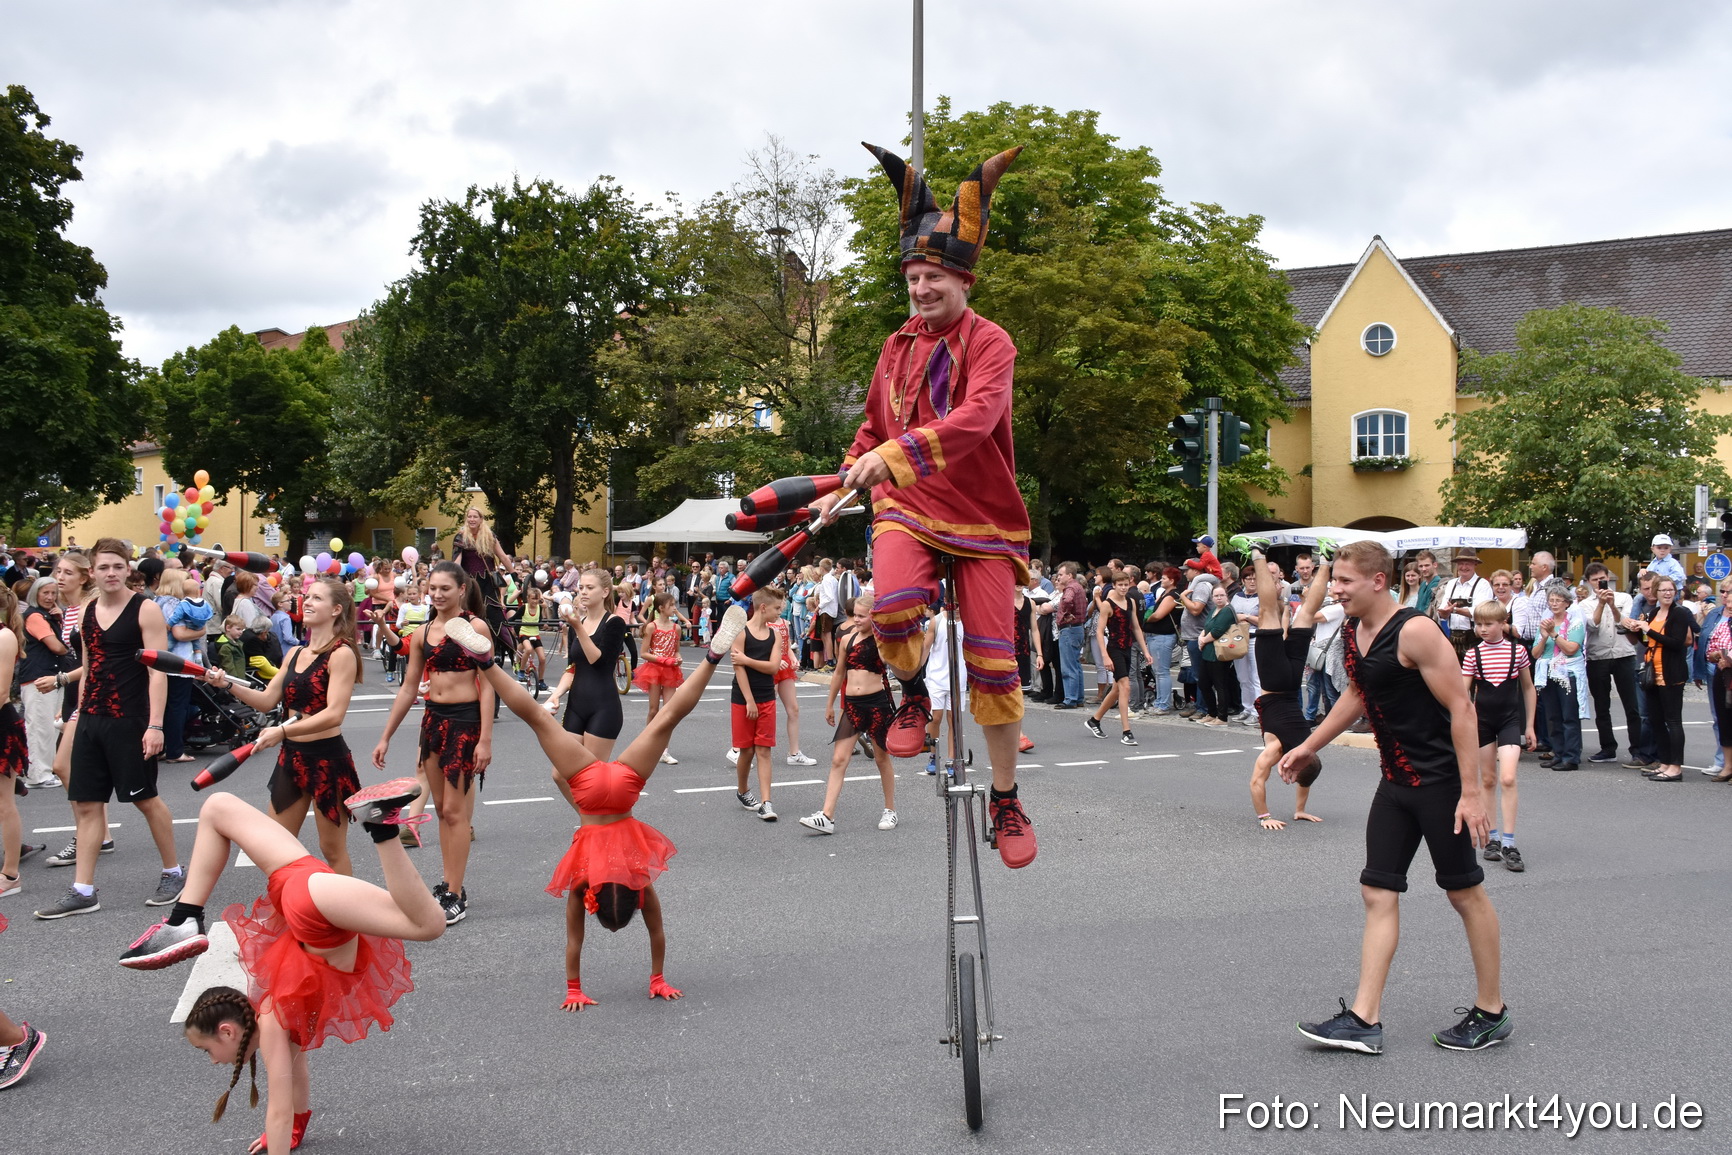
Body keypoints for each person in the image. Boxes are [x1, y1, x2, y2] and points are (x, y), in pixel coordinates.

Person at [808, 142, 1036, 868]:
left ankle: (1005, 797)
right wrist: (850, 474)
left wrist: (892, 456)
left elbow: (973, 420)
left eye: (932, 276)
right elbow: (874, 427)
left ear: (961, 279)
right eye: (912, 277)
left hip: (984, 518)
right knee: (895, 606)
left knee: (996, 666)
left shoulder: (992, 343)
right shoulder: (894, 345)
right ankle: (911, 691)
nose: (919, 289)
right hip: (906, 504)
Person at [435, 604, 747, 1012]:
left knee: (668, 718)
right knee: (537, 719)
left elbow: (657, 935)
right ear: (596, 900)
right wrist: (573, 989)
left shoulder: (639, 882)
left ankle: (712, 656)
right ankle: (486, 661)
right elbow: (574, 942)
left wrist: (658, 977)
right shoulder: (586, 884)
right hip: (586, 790)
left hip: (624, 789)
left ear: (634, 899)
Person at [116, 784, 443, 1155]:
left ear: (227, 1031)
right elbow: (295, 1081)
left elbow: (278, 1107)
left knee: (428, 926)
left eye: (206, 1050)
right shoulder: (277, 1012)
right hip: (297, 880)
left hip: (314, 913)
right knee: (218, 806)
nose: (212, 1060)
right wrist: (294, 1130)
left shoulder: (272, 1021)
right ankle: (184, 917)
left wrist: (283, 1132)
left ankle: (382, 827)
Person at [1282, 540, 1509, 1055]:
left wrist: (1472, 794)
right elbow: (1357, 695)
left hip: (1442, 785)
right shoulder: (1351, 632)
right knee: (1377, 891)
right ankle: (1364, 1019)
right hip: (1396, 782)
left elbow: (1462, 710)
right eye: (1333, 580)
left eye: (1344, 582)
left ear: (1378, 581)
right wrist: (1307, 745)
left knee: (1463, 893)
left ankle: (1492, 1010)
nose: (1335, 590)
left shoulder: (1416, 630)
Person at [35, 539, 185, 920]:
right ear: (93, 571)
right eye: (104, 567)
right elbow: (90, 665)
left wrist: (155, 725)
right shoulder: (86, 610)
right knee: (86, 805)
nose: (111, 573)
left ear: (127, 568)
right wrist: (79, 713)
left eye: (118, 566)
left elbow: (158, 670)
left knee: (144, 799)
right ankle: (83, 891)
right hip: (92, 719)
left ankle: (174, 873)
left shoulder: (145, 609)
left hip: (131, 721)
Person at [203, 577, 363, 877]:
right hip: (293, 758)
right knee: (276, 845)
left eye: (317, 598)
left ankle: (345, 916)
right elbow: (265, 701)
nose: (308, 601)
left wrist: (283, 731)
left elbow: (334, 714)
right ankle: (286, 913)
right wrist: (226, 684)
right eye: (307, 596)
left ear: (335, 609)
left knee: (332, 851)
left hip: (328, 759)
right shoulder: (294, 654)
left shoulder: (341, 653)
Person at [371, 562, 494, 925]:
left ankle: (455, 893)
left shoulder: (475, 627)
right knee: (441, 811)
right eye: (433, 588)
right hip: (433, 722)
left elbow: (487, 686)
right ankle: (448, 882)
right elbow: (410, 687)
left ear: (461, 589)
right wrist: (386, 736)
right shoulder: (423, 632)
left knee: (455, 813)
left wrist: (485, 739)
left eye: (445, 588)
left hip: (466, 723)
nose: (438, 594)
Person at [1229, 536, 1326, 831]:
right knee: (1269, 613)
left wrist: (1300, 810)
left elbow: (1308, 776)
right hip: (1274, 681)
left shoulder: (1309, 749)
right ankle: (1257, 552)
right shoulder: (1279, 750)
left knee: (1306, 613)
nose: (1289, 776)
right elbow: (1257, 780)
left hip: (1293, 678)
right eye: (1292, 775)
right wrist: (1265, 816)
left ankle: (1328, 561)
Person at [801, 593, 899, 833]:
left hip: (877, 703)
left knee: (881, 758)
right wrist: (830, 703)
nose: (856, 620)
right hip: (853, 705)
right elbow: (838, 674)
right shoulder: (847, 639)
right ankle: (827, 815)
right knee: (838, 759)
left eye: (862, 616)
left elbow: (892, 664)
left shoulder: (881, 640)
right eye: (855, 615)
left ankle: (890, 810)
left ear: (873, 617)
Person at [1462, 602, 1536, 872]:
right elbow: (1463, 696)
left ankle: (1510, 842)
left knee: (1507, 777)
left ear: (1503, 622)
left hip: (1509, 721)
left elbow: (1528, 688)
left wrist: (1530, 726)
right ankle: (1492, 837)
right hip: (1482, 723)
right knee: (1489, 779)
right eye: (1479, 624)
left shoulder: (1518, 651)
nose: (1482, 629)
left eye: (1489, 624)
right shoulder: (1473, 654)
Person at [546, 569, 629, 761]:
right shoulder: (579, 622)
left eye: (590, 588)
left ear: (605, 592)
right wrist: (556, 695)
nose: (583, 591)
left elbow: (599, 662)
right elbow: (572, 667)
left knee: (592, 775)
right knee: (562, 773)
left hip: (603, 707)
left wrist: (577, 627)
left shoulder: (614, 623)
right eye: (581, 587)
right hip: (576, 705)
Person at [1626, 576, 1691, 782]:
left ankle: (1675, 767)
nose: (1667, 593)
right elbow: (1648, 643)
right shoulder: (1654, 613)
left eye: (1670, 589)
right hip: (1652, 673)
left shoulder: (1680, 614)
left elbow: (1676, 642)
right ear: (1655, 592)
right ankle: (1664, 762)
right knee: (1656, 720)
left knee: (1673, 721)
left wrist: (1648, 629)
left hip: (1671, 674)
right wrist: (1636, 631)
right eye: (1663, 590)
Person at [730, 588, 785, 822]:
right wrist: (750, 700)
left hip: (767, 697)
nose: (779, 612)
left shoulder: (776, 635)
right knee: (747, 750)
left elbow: (773, 667)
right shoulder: (741, 633)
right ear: (763, 607)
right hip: (743, 699)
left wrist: (747, 660)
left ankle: (766, 802)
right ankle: (742, 790)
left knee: (764, 749)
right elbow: (738, 668)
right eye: (776, 608)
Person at [1086, 569, 1154, 746]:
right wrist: (1105, 656)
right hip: (1114, 648)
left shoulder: (1130, 601)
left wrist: (1146, 651)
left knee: (1117, 689)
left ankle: (1094, 720)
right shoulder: (1108, 604)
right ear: (1114, 586)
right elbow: (1100, 632)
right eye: (1120, 585)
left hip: (1128, 647)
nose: (1123, 588)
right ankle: (1126, 731)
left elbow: (1137, 628)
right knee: (1125, 686)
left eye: (1126, 585)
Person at [1529, 581, 1586, 774]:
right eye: (1551, 600)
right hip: (1548, 673)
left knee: (1569, 715)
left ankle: (1571, 756)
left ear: (1566, 603)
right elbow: (1535, 653)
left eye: (1558, 600)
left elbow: (1571, 649)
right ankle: (1559, 753)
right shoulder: (1544, 624)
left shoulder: (1575, 623)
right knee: (1552, 715)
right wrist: (1544, 636)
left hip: (1567, 672)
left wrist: (1554, 634)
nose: (1554, 604)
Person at [18, 576, 66, 789]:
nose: (50, 597)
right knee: (40, 727)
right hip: (39, 678)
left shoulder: (48, 615)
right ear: (35, 594)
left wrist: (60, 618)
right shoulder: (35, 616)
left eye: (53, 593)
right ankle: (37, 774)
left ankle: (43, 771)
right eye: (45, 593)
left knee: (49, 726)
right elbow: (56, 646)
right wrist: (70, 650)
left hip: (50, 675)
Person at [631, 592, 684, 765]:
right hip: (654, 669)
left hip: (670, 671)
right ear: (661, 608)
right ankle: (646, 745)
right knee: (654, 710)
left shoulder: (676, 628)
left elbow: (676, 649)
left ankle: (664, 750)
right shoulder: (652, 626)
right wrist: (663, 659)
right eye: (671, 605)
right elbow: (644, 653)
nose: (675, 608)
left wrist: (677, 658)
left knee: (668, 712)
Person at [767, 610, 817, 767]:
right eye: (776, 606)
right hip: (770, 667)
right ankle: (740, 748)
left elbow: (786, 646)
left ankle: (794, 753)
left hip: (784, 667)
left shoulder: (784, 623)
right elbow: (760, 649)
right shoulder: (764, 624)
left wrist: (794, 658)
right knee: (765, 710)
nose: (779, 609)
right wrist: (774, 660)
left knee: (793, 709)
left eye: (780, 605)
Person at [1433, 549, 1494, 663]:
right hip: (1453, 637)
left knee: (1475, 675)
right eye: (1461, 563)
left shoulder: (1482, 584)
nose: (1464, 567)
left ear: (1475, 564)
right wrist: (1443, 613)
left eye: (1467, 563)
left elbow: (1480, 612)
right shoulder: (1451, 584)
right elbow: (1442, 609)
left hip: (1474, 638)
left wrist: (1454, 610)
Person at [1195, 585, 1242, 728]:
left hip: (1220, 653)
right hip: (1208, 652)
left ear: (1226, 596)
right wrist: (1201, 636)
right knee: (1204, 683)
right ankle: (1212, 713)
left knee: (1220, 685)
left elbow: (1217, 630)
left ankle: (1222, 717)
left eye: (1221, 595)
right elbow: (1207, 627)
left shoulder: (1227, 611)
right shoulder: (1214, 610)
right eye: (1216, 596)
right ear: (1212, 598)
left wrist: (1203, 640)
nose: (1219, 598)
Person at [1052, 562, 1089, 710]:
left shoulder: (1071, 588)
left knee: (1068, 667)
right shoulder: (1078, 586)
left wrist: (1064, 614)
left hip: (1069, 629)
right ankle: (1078, 698)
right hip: (1077, 628)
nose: (1058, 577)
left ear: (1070, 575)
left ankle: (1070, 699)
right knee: (1076, 665)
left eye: (1061, 574)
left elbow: (1067, 600)